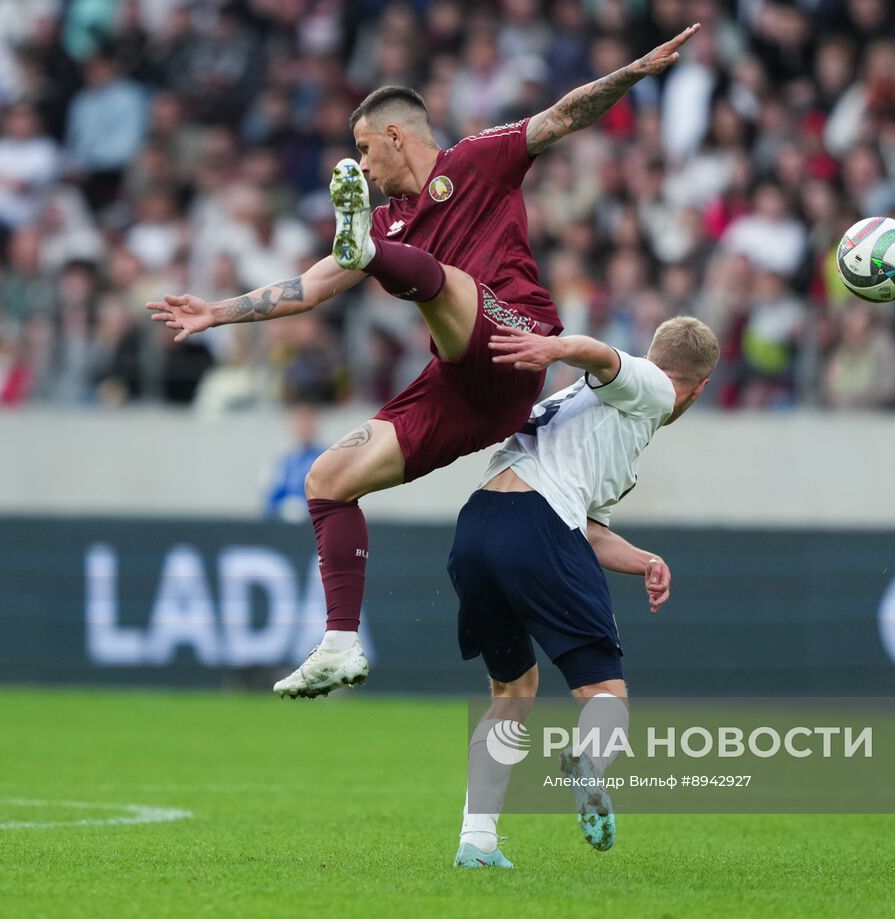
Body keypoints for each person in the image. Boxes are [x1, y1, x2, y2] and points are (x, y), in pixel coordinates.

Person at [147, 24, 703, 699]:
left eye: (363, 150)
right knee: (326, 478)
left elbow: (562, 116)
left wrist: (633, 71)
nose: (363, 166)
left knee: (447, 281)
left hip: (515, 344)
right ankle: (340, 642)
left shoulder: (477, 161)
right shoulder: (383, 223)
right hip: (458, 387)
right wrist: (216, 311)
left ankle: (377, 266)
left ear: (395, 137)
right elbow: (310, 287)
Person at [449, 316, 719, 869]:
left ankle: (476, 843)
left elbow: (591, 531)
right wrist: (553, 347)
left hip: (477, 525)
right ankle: (586, 764)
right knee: (604, 696)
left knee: (513, 691)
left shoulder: (604, 419)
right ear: (699, 387)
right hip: (538, 521)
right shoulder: (654, 386)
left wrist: (645, 559)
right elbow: (601, 355)